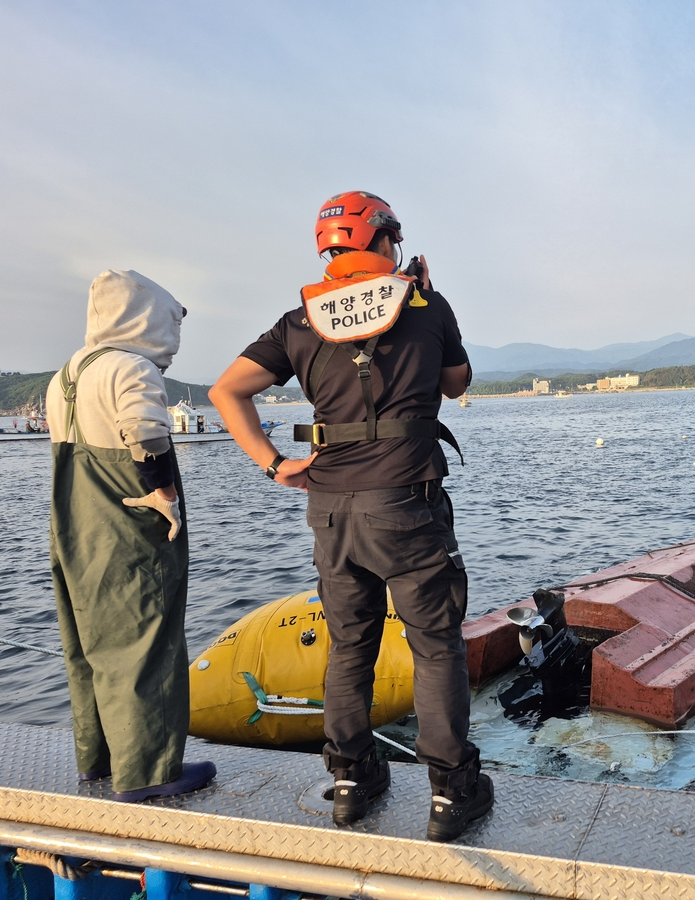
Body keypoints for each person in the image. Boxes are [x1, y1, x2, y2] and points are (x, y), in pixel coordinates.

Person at [209, 191, 490, 840]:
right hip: (408, 506)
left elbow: (226, 391)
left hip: (331, 510)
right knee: (435, 646)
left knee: (350, 644)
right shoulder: (425, 305)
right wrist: (427, 298)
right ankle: (452, 791)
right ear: (385, 240)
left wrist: (274, 464)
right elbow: (456, 384)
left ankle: (350, 782)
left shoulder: (299, 320)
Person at [46, 269, 216, 802]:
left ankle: (97, 760)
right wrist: (163, 492)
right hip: (128, 523)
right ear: (145, 317)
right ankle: (150, 771)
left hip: (73, 522)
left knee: (88, 642)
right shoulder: (131, 366)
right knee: (147, 639)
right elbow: (145, 432)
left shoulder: (67, 373)